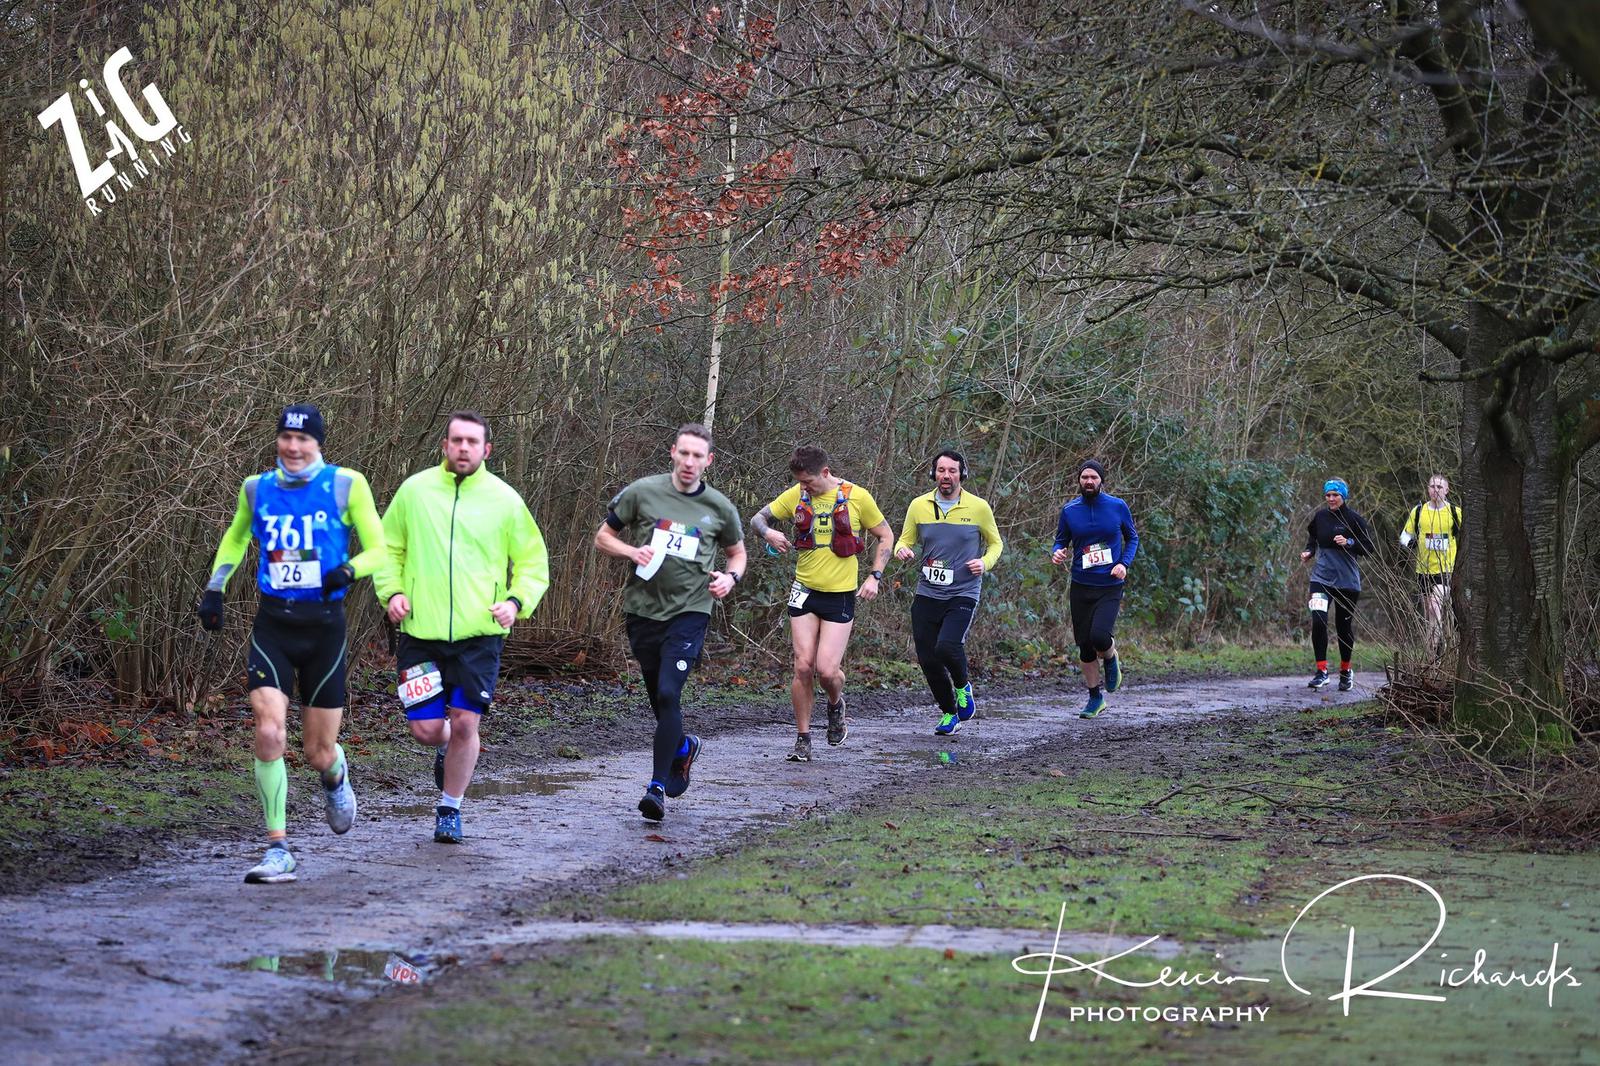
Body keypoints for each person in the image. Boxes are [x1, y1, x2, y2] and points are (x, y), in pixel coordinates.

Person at [196, 403, 384, 884]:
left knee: (318, 750)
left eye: (303, 440)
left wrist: (351, 569)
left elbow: (382, 548)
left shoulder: (347, 484)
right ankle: (278, 847)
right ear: (278, 440)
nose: (294, 448)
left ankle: (335, 773)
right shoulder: (257, 489)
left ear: (318, 443)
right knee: (268, 732)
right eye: (286, 438)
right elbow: (236, 539)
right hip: (274, 625)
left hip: (325, 628)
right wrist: (216, 586)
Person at [376, 410, 549, 844]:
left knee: (467, 723)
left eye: (472, 442)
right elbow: (386, 549)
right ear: (445, 446)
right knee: (427, 730)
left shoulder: (505, 500)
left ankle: (449, 808)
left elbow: (532, 563)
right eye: (457, 441)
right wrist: (392, 592)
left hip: (480, 635)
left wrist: (515, 601)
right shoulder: (414, 492)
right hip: (419, 633)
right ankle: (449, 745)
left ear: (486, 450)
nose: (464, 448)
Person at [594, 423, 746, 820]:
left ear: (708, 461)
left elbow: (737, 553)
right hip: (642, 611)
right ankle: (682, 747)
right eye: (685, 453)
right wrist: (631, 552)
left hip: (691, 611)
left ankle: (656, 788)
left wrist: (730, 578)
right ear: (673, 453)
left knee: (667, 693)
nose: (690, 462)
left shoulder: (720, 508)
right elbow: (602, 537)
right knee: (657, 697)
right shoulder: (643, 492)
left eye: (699, 456)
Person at [751, 445, 893, 762]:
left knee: (827, 671)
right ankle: (803, 739)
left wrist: (875, 576)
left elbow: (886, 536)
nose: (804, 488)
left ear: (825, 473)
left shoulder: (857, 497)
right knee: (803, 666)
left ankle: (835, 703)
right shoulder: (797, 495)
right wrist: (769, 533)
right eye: (800, 483)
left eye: (809, 483)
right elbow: (757, 518)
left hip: (840, 594)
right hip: (804, 590)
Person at [894, 450, 1004, 736]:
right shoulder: (918, 505)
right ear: (934, 474)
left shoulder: (978, 507)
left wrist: (984, 562)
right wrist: (901, 549)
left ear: (962, 474)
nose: (946, 476)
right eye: (941, 470)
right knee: (928, 658)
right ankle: (948, 713)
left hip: (963, 591)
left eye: (952, 470)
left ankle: (963, 686)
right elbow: (904, 540)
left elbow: (995, 544)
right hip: (928, 591)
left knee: (947, 646)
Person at [1050, 459, 1138, 720]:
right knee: (1085, 647)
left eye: (1094, 477)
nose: (1089, 481)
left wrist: (1124, 563)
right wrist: (1057, 552)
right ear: (1079, 481)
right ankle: (1094, 698)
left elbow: (1132, 537)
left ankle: (1111, 658)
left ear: (1101, 481)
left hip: (1110, 584)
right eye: (1084, 477)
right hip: (1081, 585)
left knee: (1099, 637)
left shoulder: (1117, 506)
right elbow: (1060, 539)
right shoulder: (1070, 510)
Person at [1300, 478, 1374, 691]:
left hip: (1346, 582)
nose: (1331, 499)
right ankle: (1322, 671)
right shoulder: (1320, 517)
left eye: (1335, 495)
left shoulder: (1355, 520)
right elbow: (1313, 539)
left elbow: (1369, 548)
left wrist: (1349, 542)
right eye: (1328, 495)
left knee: (1343, 627)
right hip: (1321, 579)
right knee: (1319, 619)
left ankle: (1345, 670)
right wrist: (1309, 552)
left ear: (1343, 496)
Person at [1400, 474, 1463, 656]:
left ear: (1447, 490)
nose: (1436, 490)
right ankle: (1434, 653)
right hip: (1423, 570)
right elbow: (1404, 536)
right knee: (1431, 614)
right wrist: (1414, 545)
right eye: (1432, 486)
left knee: (1436, 604)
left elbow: (1467, 537)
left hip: (1446, 569)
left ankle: (1438, 648)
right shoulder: (1419, 511)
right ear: (1428, 489)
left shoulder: (1454, 513)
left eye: (1439, 487)